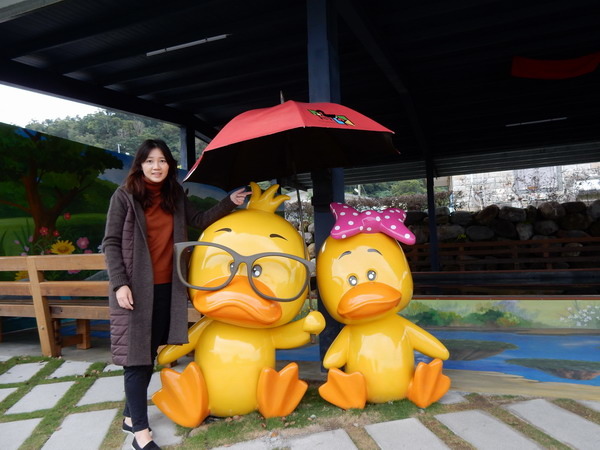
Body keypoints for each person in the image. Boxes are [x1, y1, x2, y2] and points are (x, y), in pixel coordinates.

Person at [102, 139, 250, 450]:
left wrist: (230, 202)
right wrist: (120, 283)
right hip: (134, 290)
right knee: (136, 359)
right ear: (140, 165)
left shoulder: (174, 195)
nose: (156, 167)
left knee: (150, 351)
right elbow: (112, 242)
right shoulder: (125, 196)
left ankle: (131, 415)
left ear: (169, 165)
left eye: (162, 161)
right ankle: (140, 433)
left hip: (168, 287)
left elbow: (198, 221)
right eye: (149, 161)